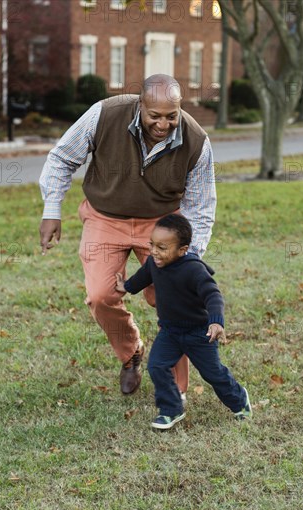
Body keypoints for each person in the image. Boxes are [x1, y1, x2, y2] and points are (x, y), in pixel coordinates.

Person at [39, 74, 216, 397]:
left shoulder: (196, 140)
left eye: (171, 116)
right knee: (101, 295)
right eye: (155, 116)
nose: (163, 124)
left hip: (162, 223)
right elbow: (62, 157)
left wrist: (188, 257)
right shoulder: (104, 115)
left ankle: (175, 392)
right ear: (140, 106)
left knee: (172, 301)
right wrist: (52, 209)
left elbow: (201, 206)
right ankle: (131, 352)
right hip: (106, 216)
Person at [115, 214, 251, 430]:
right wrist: (128, 286)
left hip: (198, 333)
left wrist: (216, 322)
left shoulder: (193, 269)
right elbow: (144, 276)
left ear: (182, 250)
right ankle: (171, 409)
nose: (154, 251)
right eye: (152, 245)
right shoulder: (154, 262)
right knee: (157, 366)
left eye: (162, 247)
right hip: (170, 331)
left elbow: (213, 295)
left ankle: (239, 400)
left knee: (212, 373)